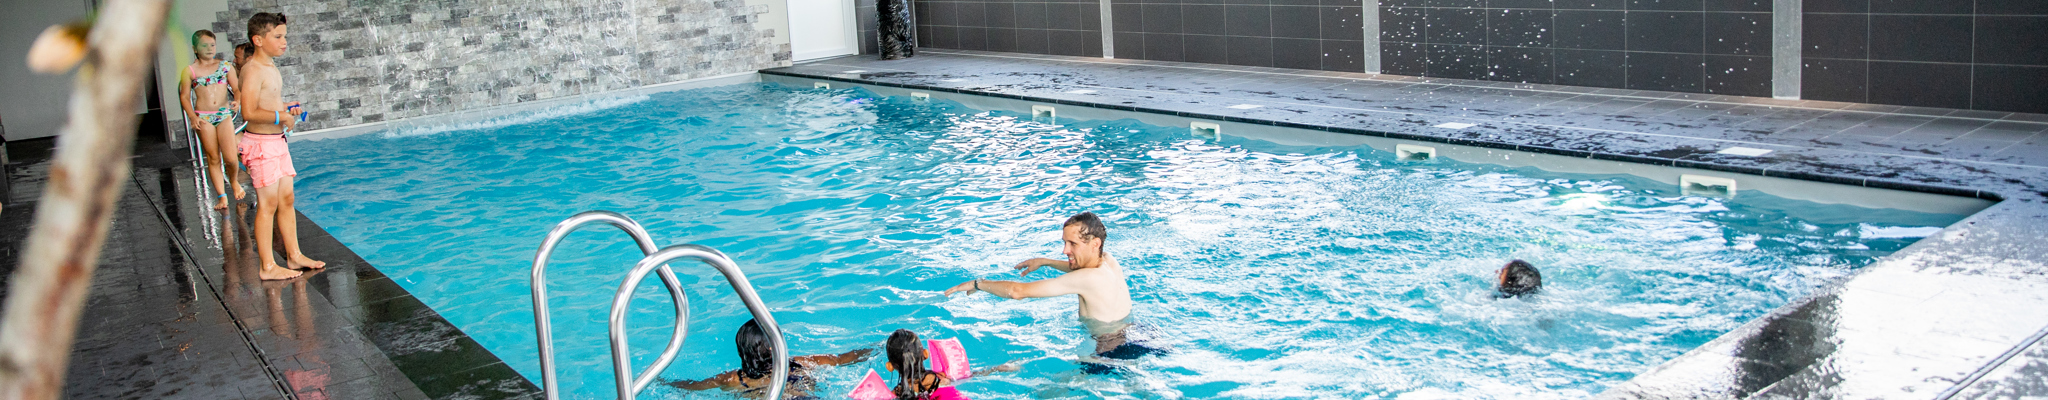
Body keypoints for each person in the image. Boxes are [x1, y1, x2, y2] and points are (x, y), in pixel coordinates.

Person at [942, 212, 1156, 364]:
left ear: (1095, 244)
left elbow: (1018, 292)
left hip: (1109, 351)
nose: (1065, 250)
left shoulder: (1087, 278)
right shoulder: (1109, 261)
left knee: (1047, 393)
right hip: (1139, 336)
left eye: (1072, 244)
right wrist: (1045, 261)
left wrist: (978, 284)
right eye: (1065, 243)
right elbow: (1080, 270)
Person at [238, 12, 321, 280]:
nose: (284, 41)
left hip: (277, 142)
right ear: (258, 40)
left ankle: (294, 256)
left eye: (284, 36)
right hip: (261, 146)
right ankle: (267, 267)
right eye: (278, 36)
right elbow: (248, 112)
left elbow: (269, 103)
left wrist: (287, 109)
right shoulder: (251, 70)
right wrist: (280, 117)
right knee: (268, 204)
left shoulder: (271, 67)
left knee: (287, 199)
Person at [667, 319, 873, 399]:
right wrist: (877, 348)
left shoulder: (732, 379)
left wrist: (662, 380)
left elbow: (692, 386)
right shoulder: (800, 363)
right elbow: (842, 359)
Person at [177, 29, 242, 209]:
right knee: (213, 157)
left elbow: (237, 89)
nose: (209, 48)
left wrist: (236, 101)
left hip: (223, 115)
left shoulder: (226, 66)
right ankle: (222, 197)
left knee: (230, 158)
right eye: (204, 45)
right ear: (195, 48)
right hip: (203, 117)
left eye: (212, 44)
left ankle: (234, 181)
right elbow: (184, 96)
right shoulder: (189, 71)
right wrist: (192, 116)